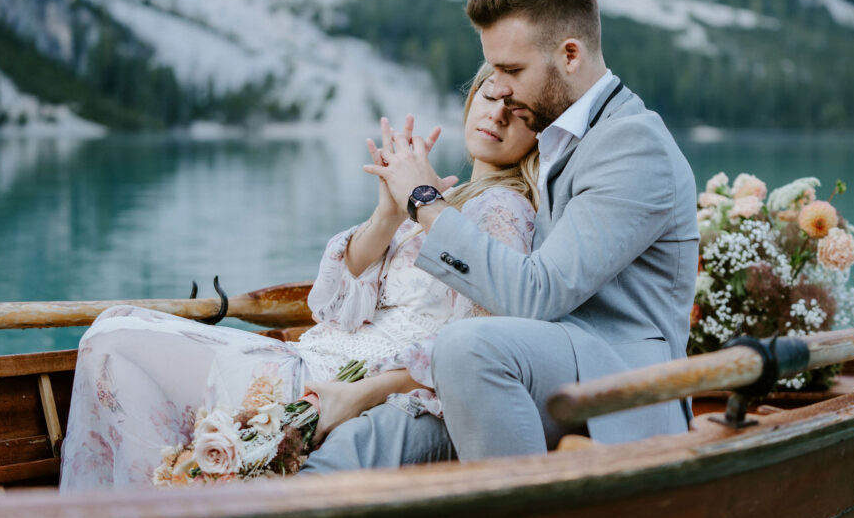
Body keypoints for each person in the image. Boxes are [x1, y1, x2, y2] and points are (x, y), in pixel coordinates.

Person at [58, 63, 539, 489]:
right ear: (471, 99)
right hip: (310, 358)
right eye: (491, 95)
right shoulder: (443, 202)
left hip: (332, 385)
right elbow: (333, 307)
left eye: (518, 111)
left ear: (540, 133)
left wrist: (357, 395)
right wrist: (391, 213)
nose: (497, 114)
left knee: (114, 337)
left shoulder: (503, 209)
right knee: (114, 334)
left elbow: (475, 348)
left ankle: (157, 508)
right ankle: (167, 498)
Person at [366, 0, 699, 460]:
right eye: (493, 69)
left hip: (622, 382)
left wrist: (425, 202)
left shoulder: (633, 144)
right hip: (549, 364)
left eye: (511, 70)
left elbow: (537, 293)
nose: (496, 88)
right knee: (392, 427)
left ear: (570, 54)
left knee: (465, 348)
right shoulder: (554, 134)